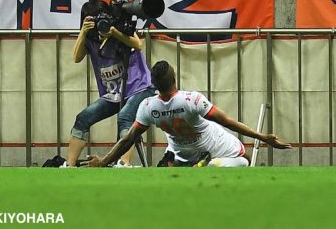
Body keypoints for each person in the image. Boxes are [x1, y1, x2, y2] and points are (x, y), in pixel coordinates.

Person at [82, 60, 291, 168]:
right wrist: (263, 137)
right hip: (215, 144)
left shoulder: (148, 106)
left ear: (154, 84)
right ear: (175, 78)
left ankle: (191, 163)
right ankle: (207, 164)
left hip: (183, 152)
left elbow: (128, 139)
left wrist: (104, 161)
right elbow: (229, 122)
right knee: (243, 159)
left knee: (187, 163)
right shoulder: (192, 100)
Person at [64, 0, 155, 167]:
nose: (99, 24)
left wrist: (114, 32)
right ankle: (69, 166)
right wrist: (83, 32)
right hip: (113, 94)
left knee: (125, 117)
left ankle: (123, 163)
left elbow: (138, 44)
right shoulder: (90, 40)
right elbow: (76, 57)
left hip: (140, 87)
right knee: (83, 118)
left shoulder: (119, 26)